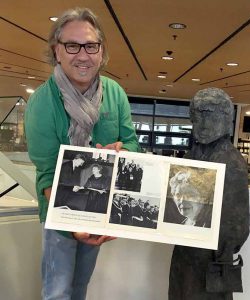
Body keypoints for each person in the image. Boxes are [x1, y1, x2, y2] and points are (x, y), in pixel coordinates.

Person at [24, 7, 140, 300]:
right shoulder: (41, 103)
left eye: (91, 45)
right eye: (72, 45)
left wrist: (121, 150)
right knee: (57, 291)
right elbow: (48, 174)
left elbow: (133, 145)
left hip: (101, 209)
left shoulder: (115, 93)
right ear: (57, 51)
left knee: (79, 288)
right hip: (58, 211)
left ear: (101, 51)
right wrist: (76, 223)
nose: (83, 55)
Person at [168, 88, 250, 300]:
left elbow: (237, 229)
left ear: (225, 118)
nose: (203, 124)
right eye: (198, 116)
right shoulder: (191, 155)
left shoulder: (231, 162)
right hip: (185, 255)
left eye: (211, 115)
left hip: (210, 263)